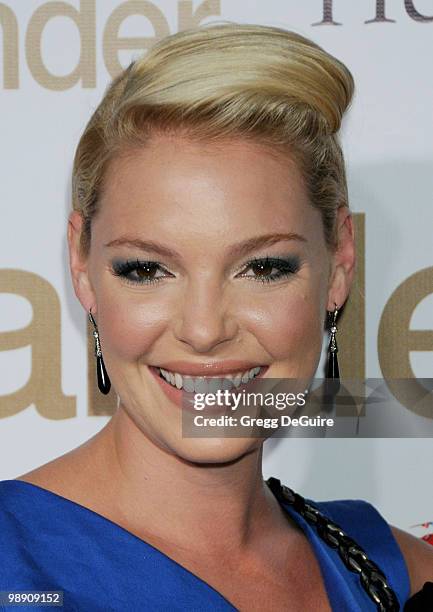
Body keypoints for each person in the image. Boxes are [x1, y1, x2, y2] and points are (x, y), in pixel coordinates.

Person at [1, 22, 432, 611]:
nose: (204, 330)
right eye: (147, 269)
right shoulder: (13, 561)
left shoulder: (395, 573)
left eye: (263, 267)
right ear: (82, 267)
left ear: (339, 265)